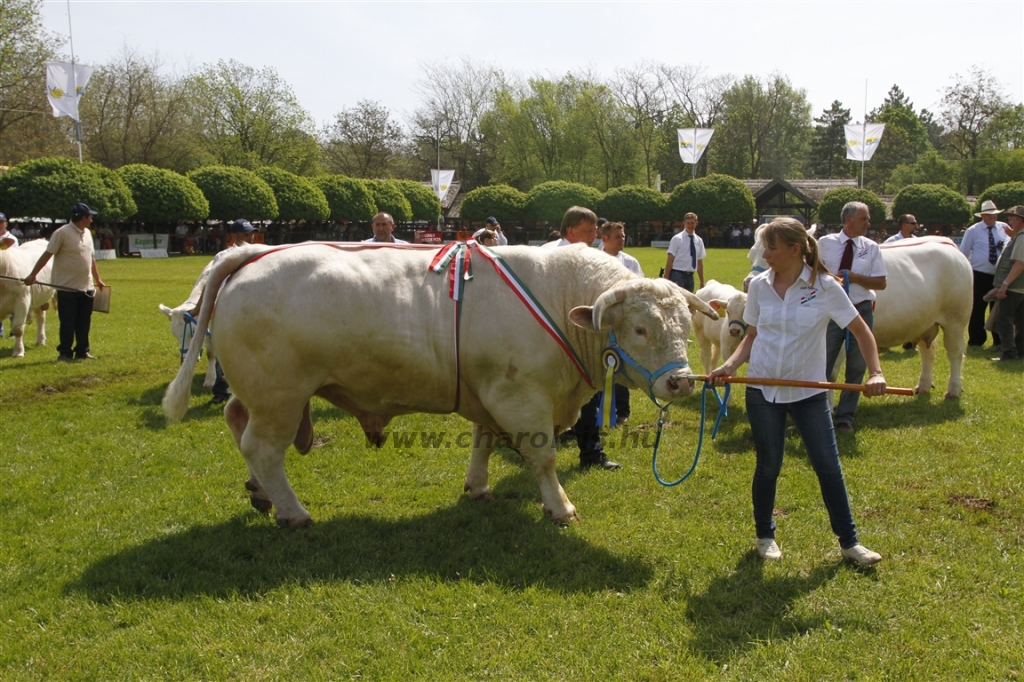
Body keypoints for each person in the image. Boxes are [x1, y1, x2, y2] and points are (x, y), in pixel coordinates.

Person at [710, 217, 885, 566]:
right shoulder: (758, 286)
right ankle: (765, 536)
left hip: (809, 392)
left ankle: (850, 544)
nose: (765, 254)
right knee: (769, 465)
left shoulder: (825, 287)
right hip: (761, 389)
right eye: (764, 246)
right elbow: (752, 336)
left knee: (827, 466)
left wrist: (877, 372)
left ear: (795, 249)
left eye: (771, 247)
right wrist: (728, 367)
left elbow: (862, 332)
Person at [546, 205, 620, 470]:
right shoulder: (551, 255)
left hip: (581, 340)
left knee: (585, 396)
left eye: (595, 231)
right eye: (587, 231)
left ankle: (590, 454)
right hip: (553, 342)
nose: (593, 236)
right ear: (570, 230)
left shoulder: (589, 256)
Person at [818, 201, 887, 433]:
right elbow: (813, 273)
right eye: (864, 219)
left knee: (856, 365)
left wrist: (855, 277)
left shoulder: (872, 247)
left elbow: (881, 282)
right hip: (831, 310)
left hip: (860, 308)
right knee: (822, 362)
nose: (868, 223)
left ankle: (845, 417)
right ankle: (816, 414)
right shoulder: (824, 244)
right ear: (849, 219)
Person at [188, 219, 261, 405]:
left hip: (252, 309)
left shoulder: (260, 253)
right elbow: (211, 283)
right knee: (224, 351)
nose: (250, 237)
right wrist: (198, 309)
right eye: (246, 234)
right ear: (234, 236)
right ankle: (222, 392)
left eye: (251, 233)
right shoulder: (224, 257)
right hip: (226, 309)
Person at [23, 203, 106, 362]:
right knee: (68, 322)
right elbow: (47, 254)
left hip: (86, 287)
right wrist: (33, 274)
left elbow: (91, 258)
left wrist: (98, 279)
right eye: (90, 216)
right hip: (66, 287)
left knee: (84, 322)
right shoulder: (61, 233)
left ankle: (83, 351)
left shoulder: (87, 233)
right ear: (83, 218)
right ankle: (65, 353)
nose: (91, 219)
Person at [601, 220, 642, 423]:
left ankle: (622, 412)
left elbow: (640, 291)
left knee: (620, 364)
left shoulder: (631, 262)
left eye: (623, 236)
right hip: (600, 321)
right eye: (618, 237)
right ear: (605, 239)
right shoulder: (595, 261)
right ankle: (595, 410)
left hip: (623, 322)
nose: (622, 239)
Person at [960, 200, 1010, 348]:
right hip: (980, 274)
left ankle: (998, 340)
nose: (992, 217)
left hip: (999, 275)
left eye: (994, 214)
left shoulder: (1004, 228)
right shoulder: (973, 231)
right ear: (982, 215)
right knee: (978, 308)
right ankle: (976, 339)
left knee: (998, 309)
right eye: (989, 215)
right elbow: (963, 253)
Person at [991, 205, 1024, 362]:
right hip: (1020, 287)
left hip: (1014, 287)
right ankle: (1020, 351)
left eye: (1014, 219)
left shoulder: (1022, 237)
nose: (1011, 221)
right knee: (1021, 321)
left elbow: (1019, 264)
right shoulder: (1019, 236)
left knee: (1003, 320)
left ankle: (1010, 353)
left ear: (1021, 221)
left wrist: (1005, 284)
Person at [663, 212, 705, 292]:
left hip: (690, 277)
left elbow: (699, 262)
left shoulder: (699, 241)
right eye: (688, 223)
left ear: (696, 223)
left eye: (692, 223)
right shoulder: (677, 239)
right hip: (677, 275)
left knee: (689, 303)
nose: (690, 226)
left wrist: (702, 281)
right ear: (684, 223)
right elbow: (670, 260)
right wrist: (666, 279)